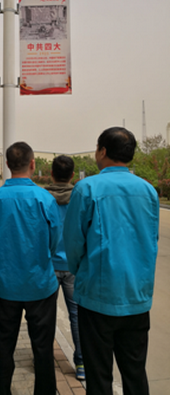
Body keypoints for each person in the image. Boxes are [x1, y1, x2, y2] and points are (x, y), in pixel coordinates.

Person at [64, 127, 159, 395]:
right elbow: (151, 241)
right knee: (135, 373)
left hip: (97, 297)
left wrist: (81, 272)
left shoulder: (87, 188)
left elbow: (73, 243)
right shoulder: (148, 190)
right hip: (136, 296)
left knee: (98, 376)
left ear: (103, 151)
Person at [0, 141, 61, 395]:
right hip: (40, 284)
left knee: (3, 345)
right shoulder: (45, 198)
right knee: (43, 348)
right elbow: (54, 241)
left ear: (7, 164)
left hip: (6, 285)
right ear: (32, 163)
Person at [44, 155, 85, 381]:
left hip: (48, 266)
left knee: (46, 316)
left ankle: (43, 360)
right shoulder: (80, 198)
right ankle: (81, 364)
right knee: (77, 316)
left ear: (51, 174)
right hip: (73, 266)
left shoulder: (43, 198)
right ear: (72, 175)